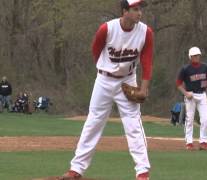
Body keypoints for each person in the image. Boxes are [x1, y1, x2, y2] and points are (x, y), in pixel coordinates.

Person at [61, 0, 153, 179]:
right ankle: (76, 169)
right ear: (124, 11)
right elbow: (95, 51)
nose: (139, 13)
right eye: (135, 9)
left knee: (133, 124)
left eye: (140, 9)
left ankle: (142, 172)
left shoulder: (145, 32)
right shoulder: (107, 29)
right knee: (93, 122)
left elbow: (147, 61)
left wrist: (143, 88)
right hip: (103, 80)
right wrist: (106, 71)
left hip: (128, 79)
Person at [176, 46, 207, 151]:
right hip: (191, 95)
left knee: (206, 118)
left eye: (198, 55)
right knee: (190, 119)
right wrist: (185, 93)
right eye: (195, 56)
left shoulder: (205, 67)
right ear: (190, 57)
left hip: (202, 95)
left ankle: (203, 142)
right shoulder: (185, 69)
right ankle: (189, 142)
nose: (197, 57)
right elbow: (178, 84)